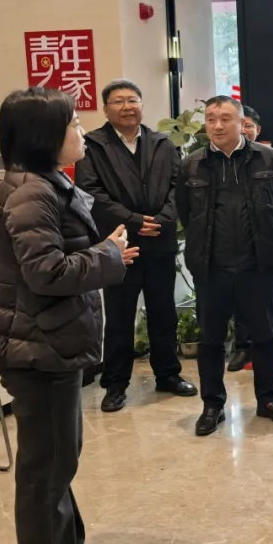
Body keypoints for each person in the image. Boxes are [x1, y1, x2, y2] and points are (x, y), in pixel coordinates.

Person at [0, 88, 137, 544]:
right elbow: (46, 274)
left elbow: (55, 257)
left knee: (58, 460)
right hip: (38, 346)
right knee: (45, 470)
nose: (82, 132)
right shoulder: (32, 193)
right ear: (44, 136)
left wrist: (103, 252)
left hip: (48, 340)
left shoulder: (43, 183)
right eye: (73, 124)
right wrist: (108, 253)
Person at [176, 95, 273, 436]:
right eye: (211, 119)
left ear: (242, 122)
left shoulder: (268, 158)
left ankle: (268, 400)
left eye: (225, 118)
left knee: (265, 336)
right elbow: (186, 212)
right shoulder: (192, 164)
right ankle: (212, 404)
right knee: (211, 340)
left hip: (258, 265)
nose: (217, 125)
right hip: (211, 267)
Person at [75, 79, 197, 413]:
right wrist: (132, 220)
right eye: (118, 101)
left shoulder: (162, 143)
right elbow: (90, 192)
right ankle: (115, 384)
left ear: (142, 105)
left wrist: (163, 219)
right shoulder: (93, 145)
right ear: (105, 109)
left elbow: (179, 186)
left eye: (133, 100)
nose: (127, 107)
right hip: (119, 244)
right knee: (119, 316)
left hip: (160, 240)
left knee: (163, 312)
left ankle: (168, 374)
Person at [226, 104, 273, 371]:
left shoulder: (270, 158)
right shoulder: (225, 162)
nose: (244, 130)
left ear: (257, 129)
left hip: (270, 241)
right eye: (241, 124)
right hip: (237, 244)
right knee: (241, 298)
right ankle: (243, 347)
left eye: (249, 125)